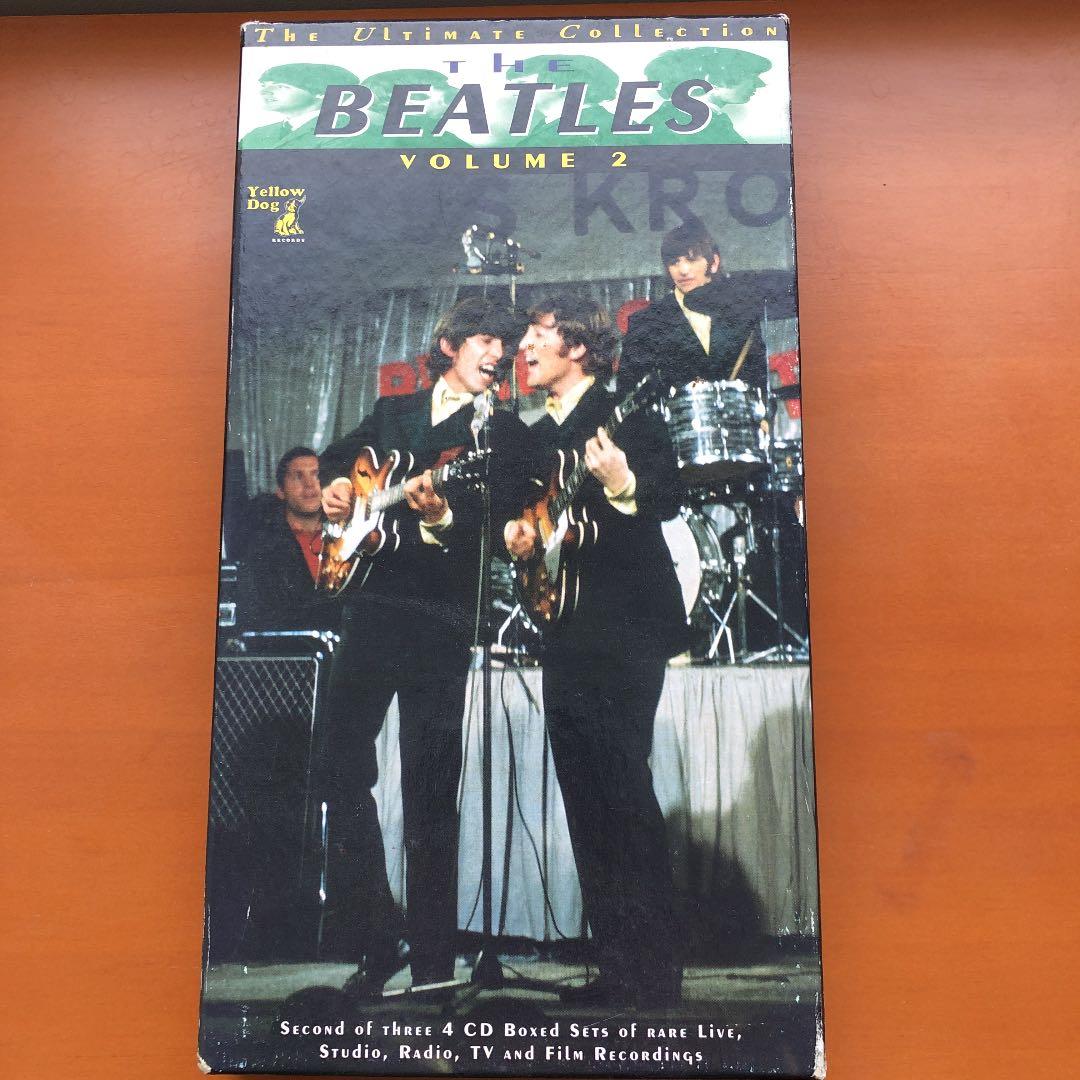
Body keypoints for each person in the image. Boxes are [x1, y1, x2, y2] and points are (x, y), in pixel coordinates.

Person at [317, 297, 529, 995]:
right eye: (485, 339)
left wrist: (440, 518)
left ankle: (435, 962)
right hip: (373, 609)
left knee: (431, 788)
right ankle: (378, 937)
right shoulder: (393, 412)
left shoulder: (502, 433)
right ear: (449, 345)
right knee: (337, 765)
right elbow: (339, 459)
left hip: (440, 617)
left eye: (505, 344)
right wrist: (339, 488)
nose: (497, 354)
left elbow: (494, 523)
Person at [503, 296, 689, 1008]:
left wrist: (623, 483)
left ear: (578, 347)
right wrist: (519, 536)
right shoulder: (531, 434)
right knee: (584, 795)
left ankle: (656, 971)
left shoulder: (627, 413)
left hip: (628, 628)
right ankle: (617, 967)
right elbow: (522, 520)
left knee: (623, 789)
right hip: (565, 630)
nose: (525, 347)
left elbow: (667, 496)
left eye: (539, 335)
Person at [618, 221, 767, 393]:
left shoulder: (741, 314)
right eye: (674, 262)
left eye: (691, 259)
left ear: (714, 262)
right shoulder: (645, 323)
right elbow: (627, 394)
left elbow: (760, 385)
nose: (683, 269)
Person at [237, 446, 339, 632]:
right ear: (281, 491)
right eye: (298, 476)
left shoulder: (347, 534)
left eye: (316, 475)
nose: (310, 485)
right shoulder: (263, 547)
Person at [240, 63, 360, 149]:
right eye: (264, 85)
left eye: (280, 86)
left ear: (321, 93)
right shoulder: (256, 134)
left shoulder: (344, 131)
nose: (264, 92)